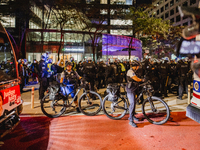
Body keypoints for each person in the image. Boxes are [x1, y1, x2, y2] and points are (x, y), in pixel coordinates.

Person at [126, 60, 145, 128]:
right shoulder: (130, 71)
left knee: (135, 102)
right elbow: (136, 79)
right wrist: (142, 80)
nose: (138, 67)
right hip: (130, 89)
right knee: (133, 103)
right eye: (138, 66)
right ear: (136, 66)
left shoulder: (134, 71)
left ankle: (133, 115)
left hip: (134, 88)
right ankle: (130, 120)